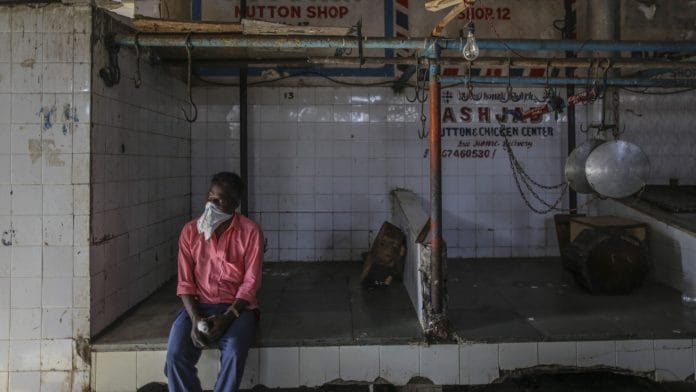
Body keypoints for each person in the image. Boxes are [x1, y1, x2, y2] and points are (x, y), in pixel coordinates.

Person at [165, 172, 263, 392]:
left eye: (221, 200)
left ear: (235, 204)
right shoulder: (191, 231)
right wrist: (194, 318)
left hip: (238, 308)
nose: (212, 203)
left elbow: (250, 283)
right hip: (199, 305)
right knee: (175, 356)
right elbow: (185, 283)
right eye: (211, 196)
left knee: (235, 352)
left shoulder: (250, 232)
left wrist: (228, 317)